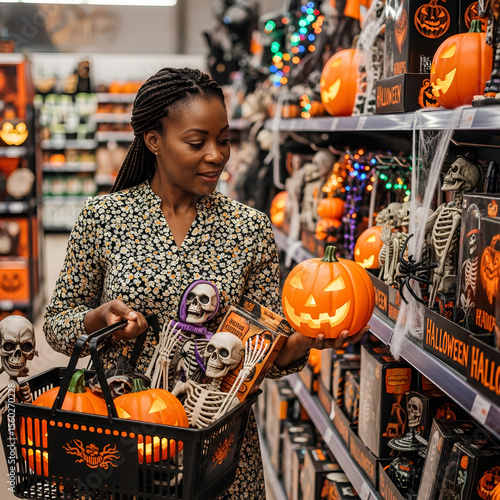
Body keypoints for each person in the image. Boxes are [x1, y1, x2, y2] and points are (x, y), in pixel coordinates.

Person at [43, 67, 368, 499]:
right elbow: (55, 323)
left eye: (224, 139)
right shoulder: (103, 218)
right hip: (121, 443)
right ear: (154, 141)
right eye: (197, 142)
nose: (216, 155)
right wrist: (95, 320)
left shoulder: (248, 229)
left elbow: (266, 352)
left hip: (218, 452)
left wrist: (307, 338)